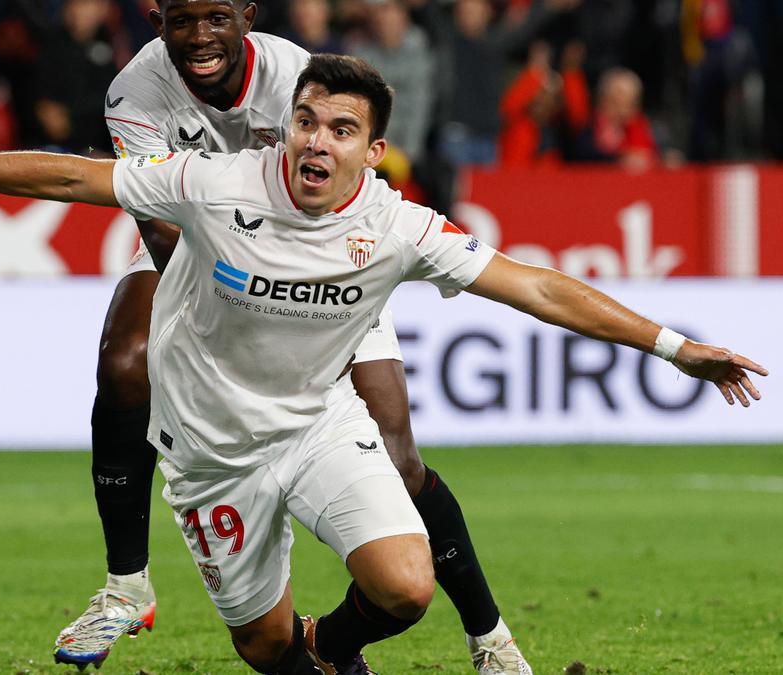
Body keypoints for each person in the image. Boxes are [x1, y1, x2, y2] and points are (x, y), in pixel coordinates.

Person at [0, 53, 766, 674]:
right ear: (288, 126)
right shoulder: (214, 185)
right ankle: (267, 636)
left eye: (340, 130)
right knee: (261, 647)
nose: (317, 141)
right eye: (307, 122)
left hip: (318, 425)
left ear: (372, 149)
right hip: (210, 456)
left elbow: (533, 286)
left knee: (405, 585)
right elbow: (75, 177)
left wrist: (678, 347)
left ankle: (345, 644)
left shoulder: (396, 225)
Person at [59, 0, 527, 671]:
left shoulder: (294, 74)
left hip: (326, 253)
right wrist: (237, 314)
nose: (200, 38)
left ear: (245, 17)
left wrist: (302, 309)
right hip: (203, 246)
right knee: (124, 362)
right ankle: (125, 585)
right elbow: (159, 223)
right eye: (182, 19)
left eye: (215, 18)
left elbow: (348, 180)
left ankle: (490, 638)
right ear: (156, 17)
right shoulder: (133, 89)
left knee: (398, 453)